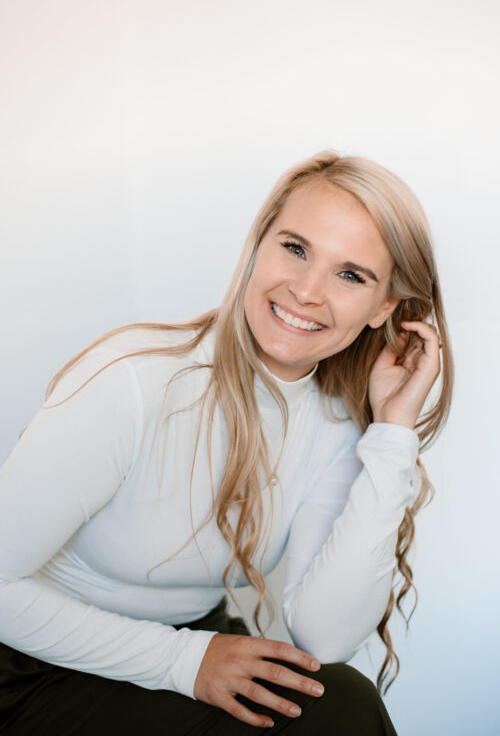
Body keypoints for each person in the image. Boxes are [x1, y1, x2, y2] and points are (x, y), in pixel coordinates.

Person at [0, 150, 453, 735]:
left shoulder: (340, 426)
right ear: (258, 246)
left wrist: (391, 435)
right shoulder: (132, 381)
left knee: (339, 700)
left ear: (384, 308)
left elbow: (326, 634)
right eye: (295, 248)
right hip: (31, 665)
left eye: (350, 275)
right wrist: (183, 661)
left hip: (190, 653)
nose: (306, 290)